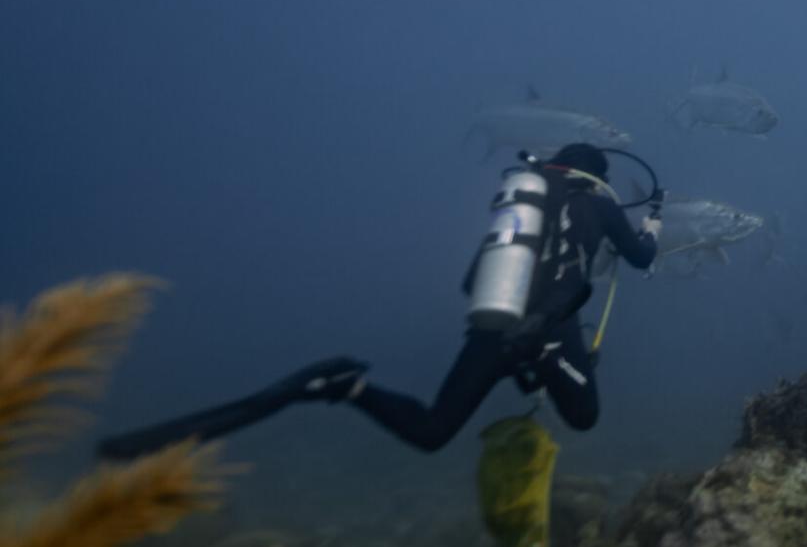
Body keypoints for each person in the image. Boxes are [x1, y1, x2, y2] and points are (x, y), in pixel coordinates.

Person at [99, 144, 661, 458]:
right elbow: (640, 258)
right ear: (595, 178)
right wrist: (654, 222)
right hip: (547, 334)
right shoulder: (596, 203)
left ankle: (348, 385)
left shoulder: (522, 204)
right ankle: (356, 387)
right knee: (583, 417)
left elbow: (477, 281)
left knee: (433, 430)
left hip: (494, 326)